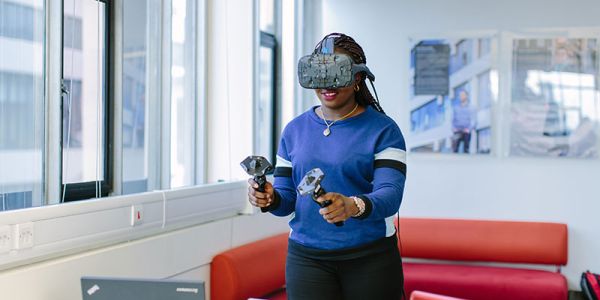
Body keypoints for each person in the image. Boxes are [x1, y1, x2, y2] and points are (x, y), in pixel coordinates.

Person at [247, 33, 407, 300]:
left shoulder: (383, 130)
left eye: (337, 73)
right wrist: (270, 198)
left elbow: (390, 195)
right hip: (307, 261)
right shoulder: (294, 130)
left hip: (370, 259)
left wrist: (352, 206)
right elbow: (287, 202)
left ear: (357, 78)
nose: (327, 84)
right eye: (319, 74)